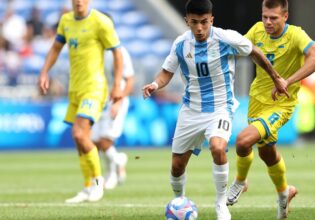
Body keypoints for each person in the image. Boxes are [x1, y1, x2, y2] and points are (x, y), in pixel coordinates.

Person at [142, 1, 288, 219]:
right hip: (191, 109)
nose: (199, 28)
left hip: (221, 107)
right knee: (176, 165)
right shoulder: (181, 44)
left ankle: (221, 204)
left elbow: (254, 52)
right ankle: (179, 201)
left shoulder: (226, 38)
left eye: (203, 22)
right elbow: (166, 72)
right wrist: (155, 84)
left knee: (218, 148)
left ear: (211, 20)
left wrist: (276, 78)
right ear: (187, 22)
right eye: (194, 23)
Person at [226, 0, 315, 219]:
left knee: (243, 141)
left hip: (281, 103)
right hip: (257, 100)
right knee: (267, 154)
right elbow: (238, 48)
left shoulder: (296, 35)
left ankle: (240, 182)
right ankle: (284, 193)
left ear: (285, 17)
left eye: (273, 18)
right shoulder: (257, 30)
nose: (268, 22)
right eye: (265, 17)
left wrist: (287, 81)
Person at [38, 0, 123, 203]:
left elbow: (117, 53)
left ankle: (97, 183)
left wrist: (117, 84)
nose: (78, 1)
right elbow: (56, 48)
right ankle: (87, 187)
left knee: (79, 132)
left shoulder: (101, 22)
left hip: (94, 88)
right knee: (79, 139)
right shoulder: (66, 20)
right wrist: (44, 71)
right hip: (75, 89)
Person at [92, 44, 134, 190]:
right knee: (95, 143)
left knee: (105, 141)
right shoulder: (94, 49)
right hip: (98, 100)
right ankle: (115, 167)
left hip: (116, 99)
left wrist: (118, 102)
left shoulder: (120, 51)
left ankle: (115, 167)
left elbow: (129, 80)